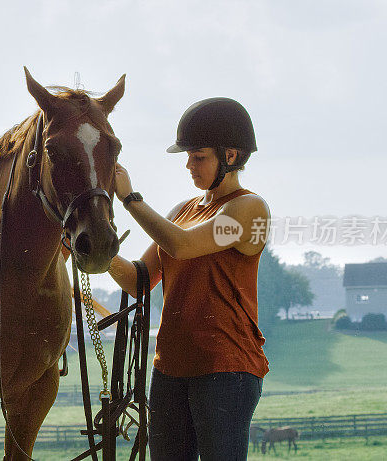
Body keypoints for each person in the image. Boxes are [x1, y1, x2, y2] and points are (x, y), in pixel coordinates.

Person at [108, 97, 270, 460]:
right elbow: (138, 280)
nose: (188, 165)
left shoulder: (249, 209)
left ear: (231, 156)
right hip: (170, 368)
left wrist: (130, 199)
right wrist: (99, 254)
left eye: (198, 157)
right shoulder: (182, 211)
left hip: (226, 369)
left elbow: (181, 246)